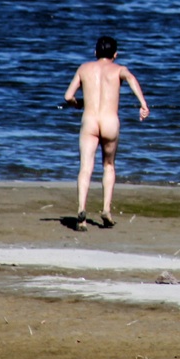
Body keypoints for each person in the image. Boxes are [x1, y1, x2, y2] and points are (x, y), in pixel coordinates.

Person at [63, 36, 149, 231]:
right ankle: (106, 210)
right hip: (109, 122)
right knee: (108, 165)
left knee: (86, 167)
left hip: (90, 121)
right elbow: (131, 79)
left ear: (95, 52)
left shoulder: (84, 68)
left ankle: (81, 211)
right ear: (115, 54)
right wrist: (143, 104)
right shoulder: (119, 70)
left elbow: (68, 96)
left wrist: (77, 104)